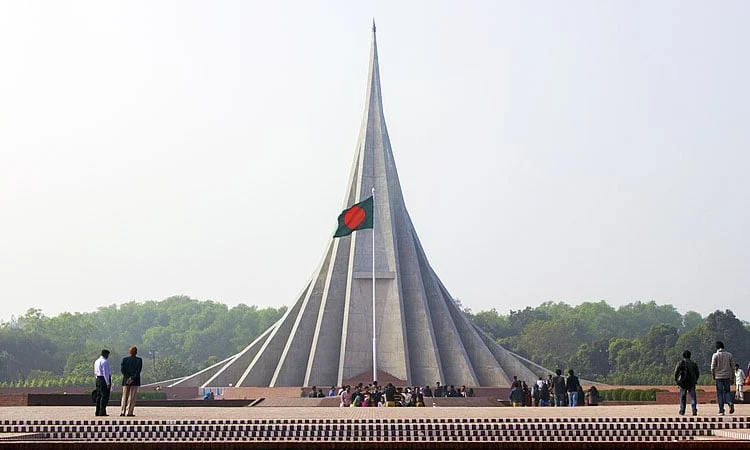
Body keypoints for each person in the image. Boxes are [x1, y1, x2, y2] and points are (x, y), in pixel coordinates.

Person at [711, 341, 736, 415]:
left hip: (718, 376)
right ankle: (730, 402)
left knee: (720, 393)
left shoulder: (715, 355)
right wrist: (732, 377)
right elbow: (733, 367)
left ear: (717, 347)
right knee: (727, 391)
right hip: (727, 376)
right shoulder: (729, 355)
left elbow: (712, 367)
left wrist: (713, 375)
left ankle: (721, 410)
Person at [674, 350, 700, 416]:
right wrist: (695, 379)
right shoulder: (693, 363)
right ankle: (694, 410)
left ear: (683, 356)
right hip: (691, 382)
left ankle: (682, 410)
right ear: (690, 356)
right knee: (693, 396)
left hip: (683, 382)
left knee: (683, 396)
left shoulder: (680, 363)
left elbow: (676, 372)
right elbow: (697, 373)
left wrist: (677, 381)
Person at [120, 346, 143, 417]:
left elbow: (122, 370)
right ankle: (129, 412)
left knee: (124, 396)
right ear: (136, 352)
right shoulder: (139, 360)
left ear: (129, 352)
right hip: (135, 380)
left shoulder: (124, 359)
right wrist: (132, 378)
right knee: (132, 397)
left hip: (126, 381)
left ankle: (122, 411)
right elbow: (138, 371)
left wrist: (127, 378)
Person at [93, 349, 111, 417]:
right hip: (103, 379)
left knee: (98, 396)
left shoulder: (96, 361)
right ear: (106, 354)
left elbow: (95, 372)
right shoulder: (104, 362)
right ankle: (102, 411)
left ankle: (97, 411)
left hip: (98, 379)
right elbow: (105, 373)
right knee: (104, 396)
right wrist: (108, 382)